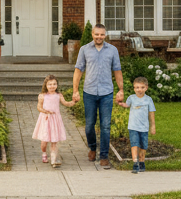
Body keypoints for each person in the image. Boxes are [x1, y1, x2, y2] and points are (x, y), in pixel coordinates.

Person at [72, 23, 124, 168]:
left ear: (105, 35)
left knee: (105, 126)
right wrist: (75, 90)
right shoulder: (84, 49)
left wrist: (121, 89)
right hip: (89, 92)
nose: (99, 37)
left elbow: (117, 70)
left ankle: (104, 156)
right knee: (89, 125)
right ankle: (93, 148)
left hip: (106, 93)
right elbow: (78, 70)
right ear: (92, 34)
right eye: (96, 34)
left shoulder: (112, 50)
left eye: (101, 34)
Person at [32, 75, 75, 168]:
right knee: (44, 141)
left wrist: (73, 102)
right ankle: (44, 152)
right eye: (50, 84)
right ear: (46, 85)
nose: (52, 86)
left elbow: (66, 103)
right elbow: (39, 107)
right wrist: (45, 111)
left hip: (55, 120)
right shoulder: (42, 96)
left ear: (57, 85)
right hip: (46, 119)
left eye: (54, 84)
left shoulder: (58, 95)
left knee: (54, 140)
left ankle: (53, 159)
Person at [118, 76, 157, 173]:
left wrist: (153, 126)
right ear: (134, 88)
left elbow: (151, 113)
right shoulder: (131, 98)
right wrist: (122, 104)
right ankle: (135, 163)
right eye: (137, 87)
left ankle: (142, 162)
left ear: (146, 87)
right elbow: (127, 105)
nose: (140, 90)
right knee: (134, 144)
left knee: (143, 146)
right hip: (133, 127)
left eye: (142, 87)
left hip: (144, 127)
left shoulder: (148, 100)